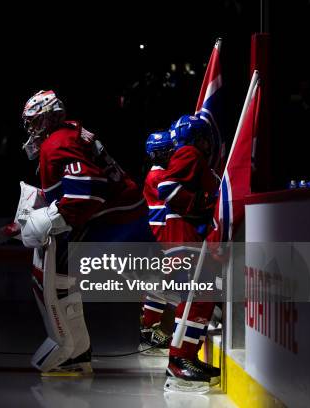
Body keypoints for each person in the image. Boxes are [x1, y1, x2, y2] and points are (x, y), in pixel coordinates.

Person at [17, 90, 152, 376]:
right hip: (121, 214)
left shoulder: (58, 143)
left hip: (115, 220)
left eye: (35, 121)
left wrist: (50, 218)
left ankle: (71, 351)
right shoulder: (70, 132)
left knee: (51, 276)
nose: (31, 128)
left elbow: (88, 191)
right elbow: (76, 185)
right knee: (60, 274)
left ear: (49, 117)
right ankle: (76, 350)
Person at [157, 114, 221, 393]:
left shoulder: (189, 153)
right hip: (185, 238)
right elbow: (166, 188)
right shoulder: (189, 153)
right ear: (197, 138)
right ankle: (179, 361)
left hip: (186, 238)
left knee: (200, 298)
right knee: (196, 298)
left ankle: (186, 357)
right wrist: (200, 204)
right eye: (204, 138)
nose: (208, 144)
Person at [139, 131, 176, 356]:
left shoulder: (155, 174)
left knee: (157, 286)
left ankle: (148, 326)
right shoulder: (159, 177)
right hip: (162, 239)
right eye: (170, 150)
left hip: (158, 239)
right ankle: (154, 329)